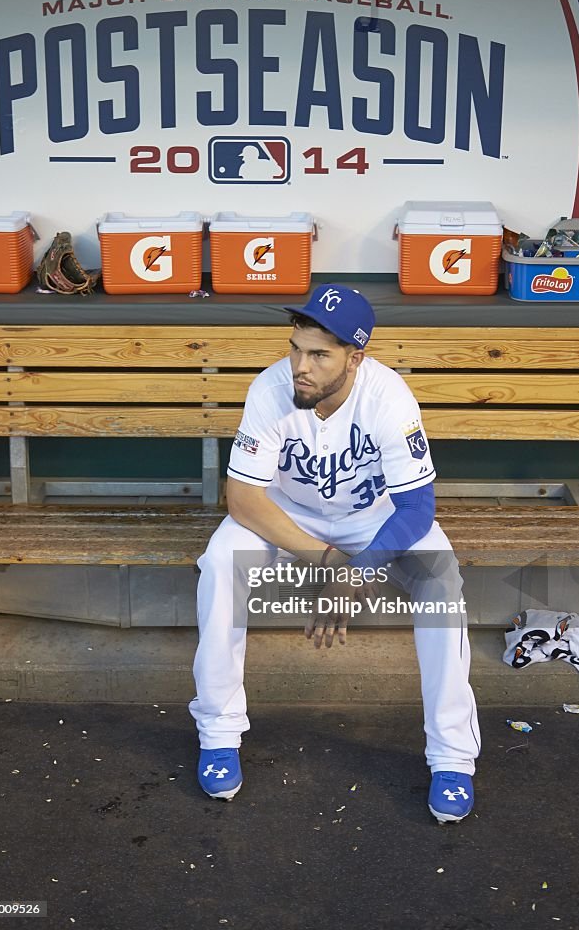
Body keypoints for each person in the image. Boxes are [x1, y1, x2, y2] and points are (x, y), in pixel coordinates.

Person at [189, 284, 481, 822]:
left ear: (355, 358)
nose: (301, 365)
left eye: (320, 354)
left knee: (441, 580)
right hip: (288, 519)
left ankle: (452, 756)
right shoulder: (272, 388)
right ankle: (218, 732)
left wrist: (358, 572)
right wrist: (328, 563)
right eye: (296, 347)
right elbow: (244, 499)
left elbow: (416, 509)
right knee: (221, 564)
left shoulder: (387, 397)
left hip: (375, 518)